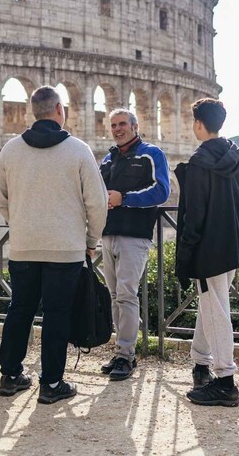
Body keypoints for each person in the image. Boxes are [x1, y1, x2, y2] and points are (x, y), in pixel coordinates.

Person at [0, 85, 108, 404]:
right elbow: (97, 203)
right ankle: (52, 383)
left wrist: (19, 221)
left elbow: (0, 197)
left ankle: (10, 376)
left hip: (23, 246)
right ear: (59, 110)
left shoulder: (10, 150)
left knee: (20, 310)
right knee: (58, 315)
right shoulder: (79, 150)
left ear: (34, 111)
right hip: (65, 248)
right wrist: (90, 240)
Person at [174, 98, 239, 407]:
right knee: (212, 307)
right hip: (231, 242)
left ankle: (225, 382)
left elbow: (193, 217)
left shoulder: (199, 163)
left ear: (198, 124)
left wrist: (184, 256)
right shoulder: (236, 153)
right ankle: (200, 364)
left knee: (216, 311)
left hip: (208, 249)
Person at [98, 109, 169, 381]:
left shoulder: (151, 154)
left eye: (123, 124)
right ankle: (120, 352)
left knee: (126, 294)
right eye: (113, 125)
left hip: (134, 235)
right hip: (108, 233)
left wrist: (123, 198)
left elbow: (161, 191)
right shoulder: (107, 159)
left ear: (135, 126)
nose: (118, 129)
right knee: (115, 295)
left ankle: (126, 355)